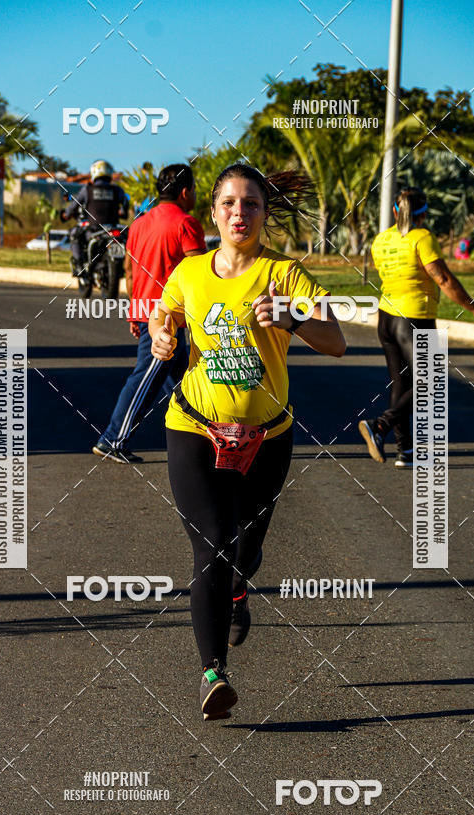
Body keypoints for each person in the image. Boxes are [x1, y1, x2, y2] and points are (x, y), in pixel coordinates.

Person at [149, 163, 346, 720]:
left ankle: (239, 587)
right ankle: (214, 674)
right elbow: (165, 315)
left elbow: (337, 342)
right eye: (230, 203)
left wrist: (292, 319)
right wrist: (163, 333)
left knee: (246, 550)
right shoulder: (189, 271)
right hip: (193, 426)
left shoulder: (286, 274)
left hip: (268, 436)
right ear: (212, 212)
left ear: (264, 213)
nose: (240, 213)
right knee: (211, 542)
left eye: (251, 204)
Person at [359, 188, 474, 468]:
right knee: (430, 382)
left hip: (386, 318)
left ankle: (404, 451)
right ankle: (380, 425)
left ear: (396, 211)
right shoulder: (422, 237)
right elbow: (443, 278)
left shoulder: (381, 240)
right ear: (424, 213)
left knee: (402, 383)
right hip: (414, 318)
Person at [92, 164, 206, 463]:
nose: (195, 195)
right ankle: (112, 439)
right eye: (194, 190)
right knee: (146, 376)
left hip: (145, 310)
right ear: (185, 192)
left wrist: (134, 312)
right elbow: (199, 276)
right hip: (167, 319)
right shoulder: (187, 223)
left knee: (184, 380)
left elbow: (129, 272)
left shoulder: (139, 223)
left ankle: (204, 436)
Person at [61, 160, 129, 276]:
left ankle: (79, 266)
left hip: (94, 230)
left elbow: (74, 205)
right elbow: (125, 206)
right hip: (113, 228)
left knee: (74, 234)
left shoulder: (87, 190)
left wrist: (65, 214)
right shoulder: (118, 190)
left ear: (94, 173)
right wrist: (121, 212)